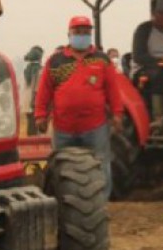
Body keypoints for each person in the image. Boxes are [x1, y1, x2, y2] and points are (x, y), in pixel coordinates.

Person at [34, 16, 123, 199]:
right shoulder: (56, 61)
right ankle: (63, 202)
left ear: (90, 35)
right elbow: (44, 91)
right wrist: (40, 116)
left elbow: (113, 90)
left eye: (85, 32)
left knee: (100, 164)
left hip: (95, 127)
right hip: (63, 128)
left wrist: (117, 114)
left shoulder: (102, 60)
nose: (81, 36)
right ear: (69, 34)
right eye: (77, 32)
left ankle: (101, 202)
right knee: (61, 166)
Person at [22, 45, 44, 136]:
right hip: (35, 102)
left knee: (30, 127)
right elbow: (37, 89)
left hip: (26, 102)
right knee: (35, 129)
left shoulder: (26, 69)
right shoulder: (39, 70)